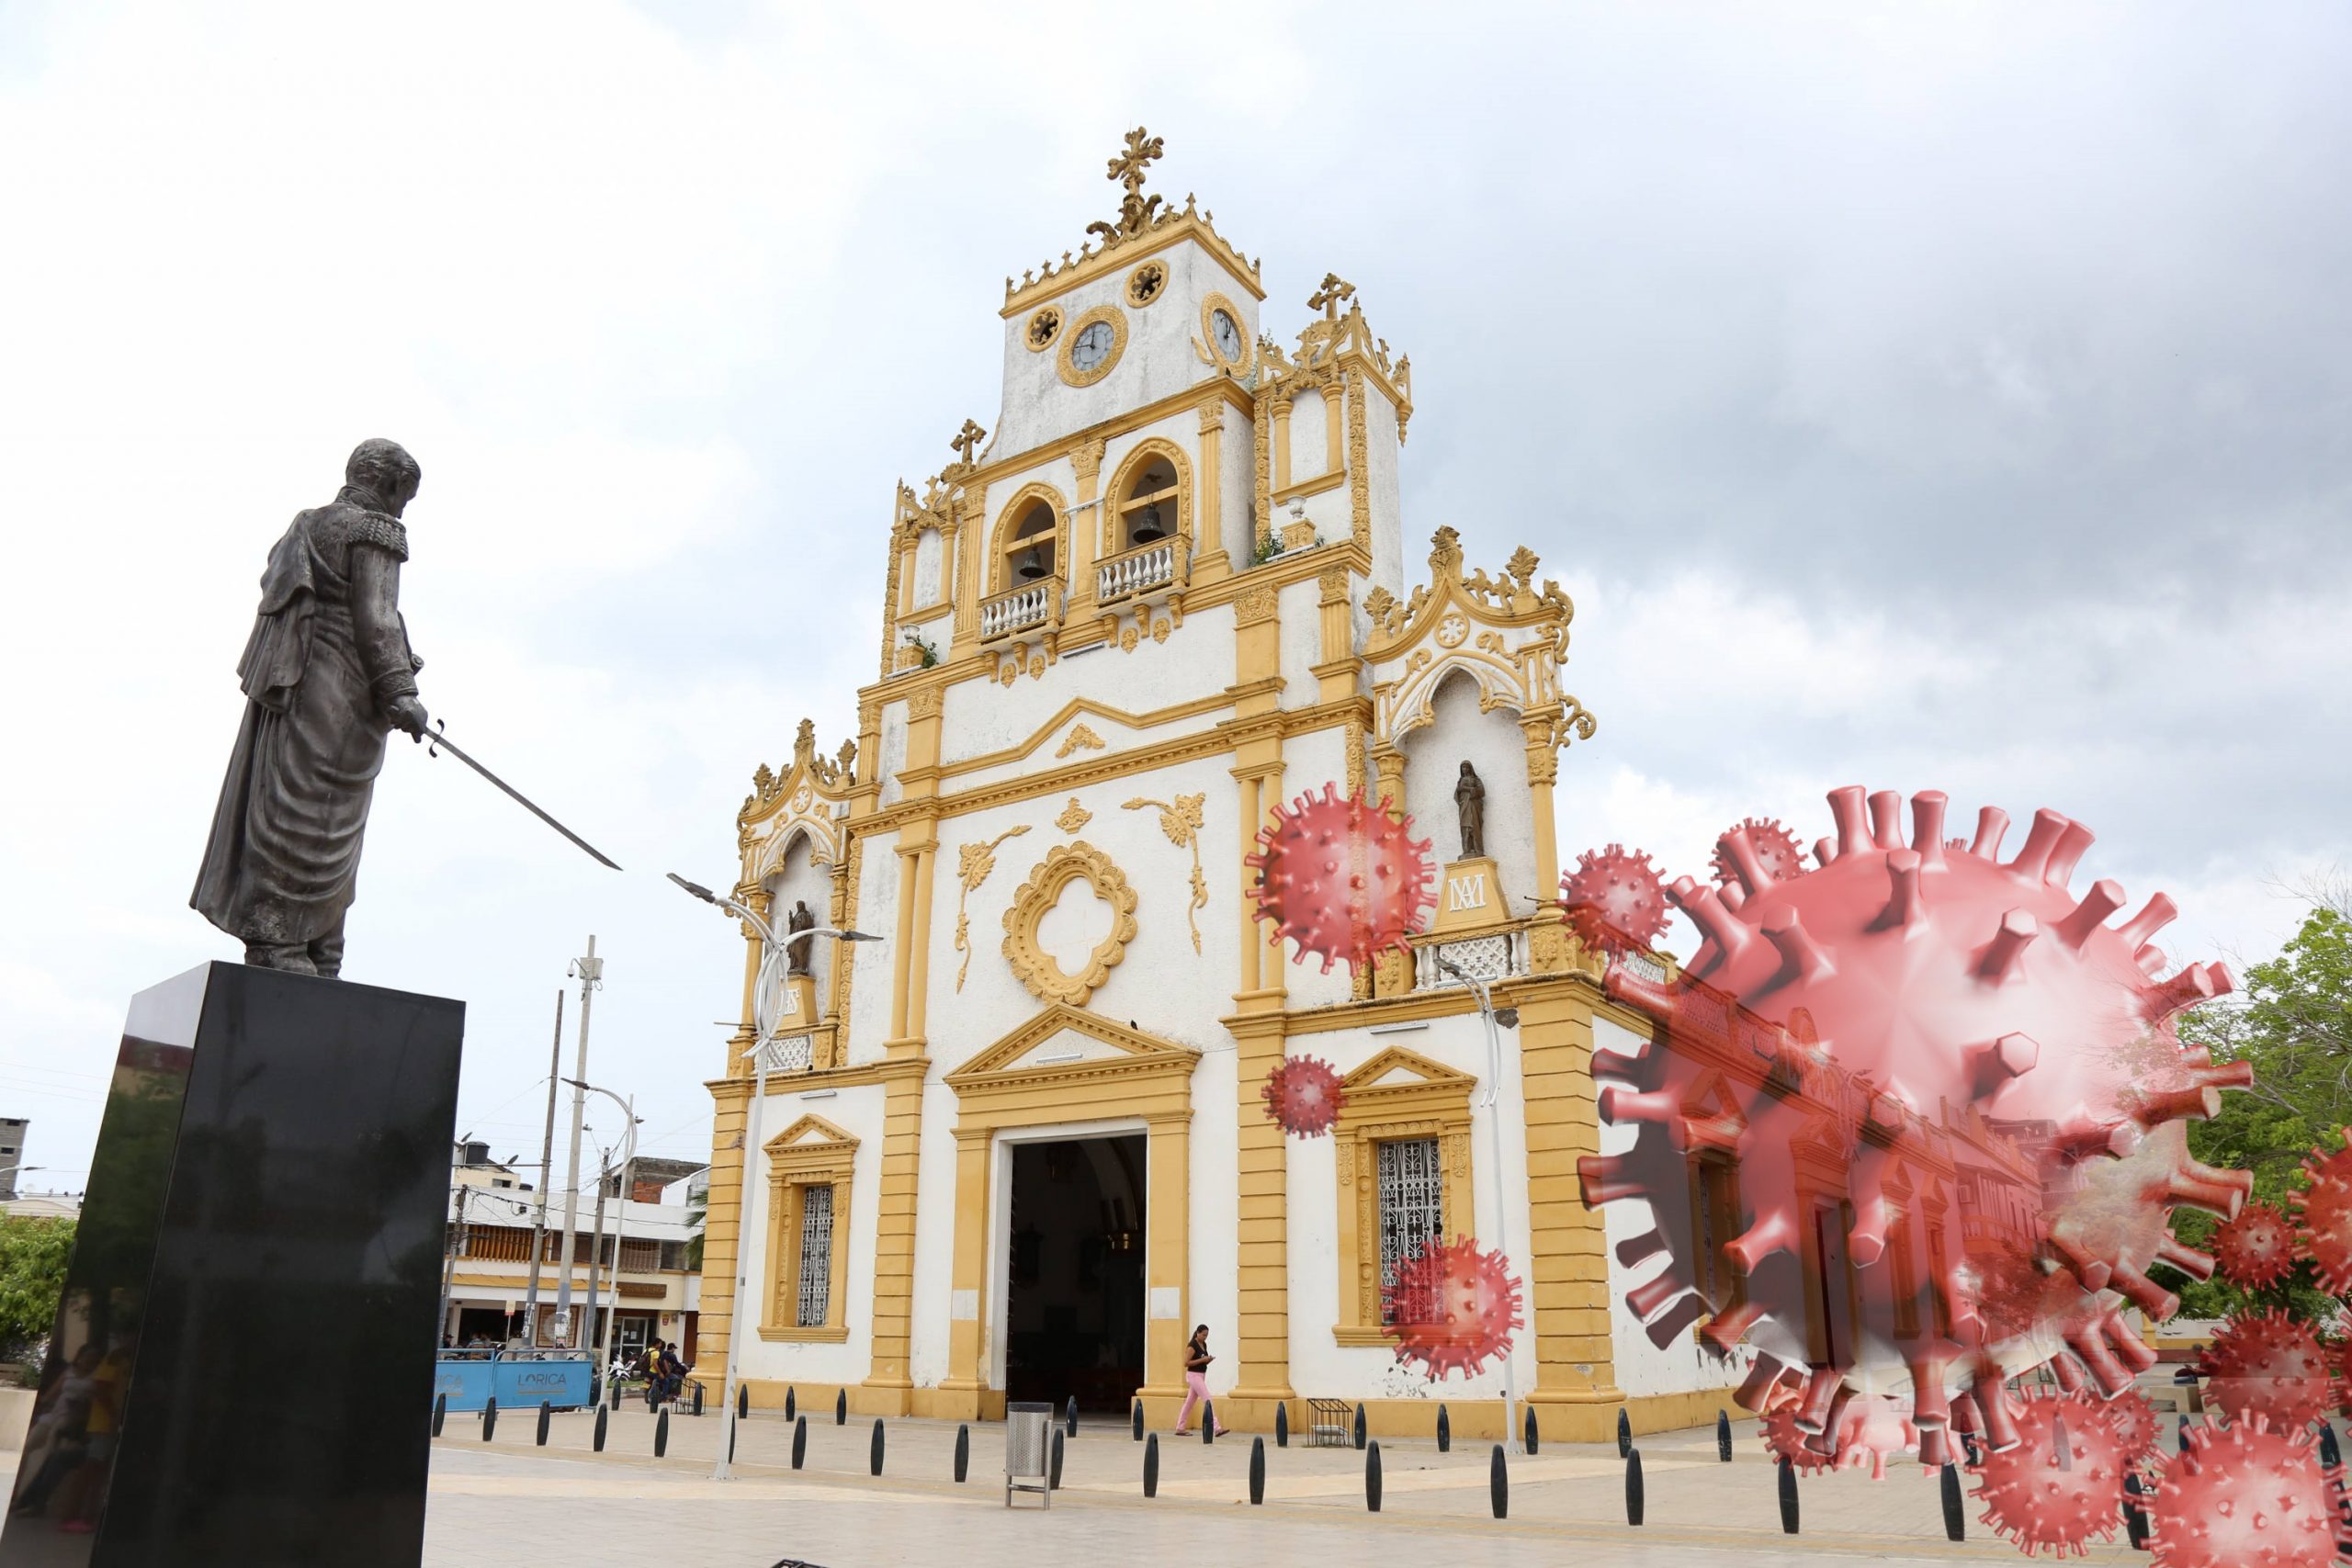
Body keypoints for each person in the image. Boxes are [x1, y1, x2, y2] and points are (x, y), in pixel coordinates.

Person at [190, 438, 431, 976]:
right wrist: (402, 692)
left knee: (286, 802)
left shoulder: (307, 524)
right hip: (339, 693)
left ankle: (311, 944)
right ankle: (286, 945)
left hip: (298, 686)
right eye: (405, 498)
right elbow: (376, 616)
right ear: (391, 486)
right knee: (321, 817)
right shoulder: (377, 529)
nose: (401, 509)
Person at [1170, 1325, 1228, 1438]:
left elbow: (1202, 1361)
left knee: (1189, 1403)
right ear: (1197, 1333)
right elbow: (1186, 1363)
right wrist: (1202, 1359)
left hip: (1201, 1375)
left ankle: (1180, 1427)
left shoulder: (1204, 1344)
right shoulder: (1192, 1346)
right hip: (1194, 1376)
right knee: (1208, 1399)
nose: (1205, 1337)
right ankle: (1217, 1428)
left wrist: (1208, 1360)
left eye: (1206, 1335)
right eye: (1203, 1335)